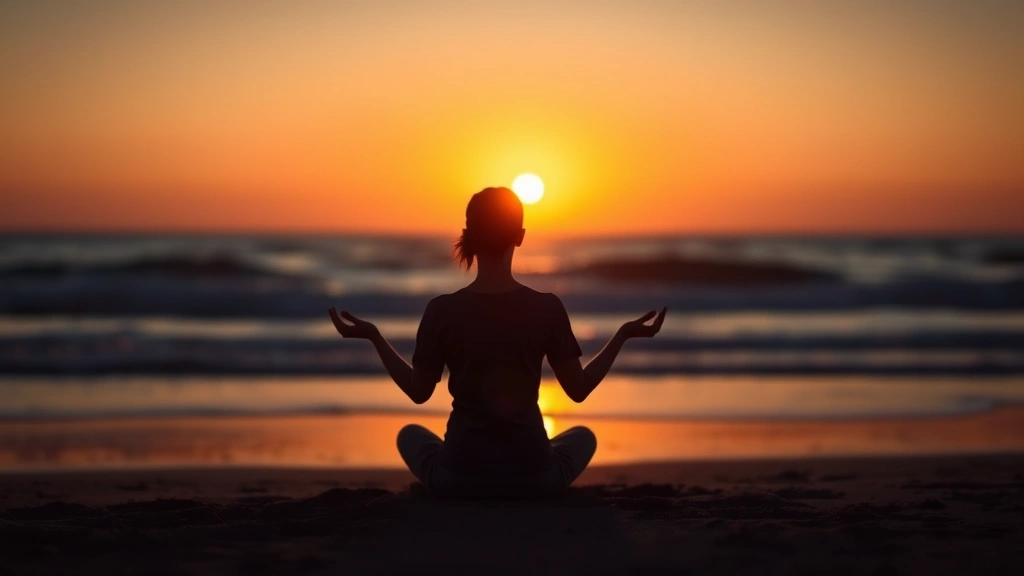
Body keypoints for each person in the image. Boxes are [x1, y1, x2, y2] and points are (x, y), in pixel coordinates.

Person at [329, 187, 666, 497]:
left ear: (468, 235)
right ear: (519, 237)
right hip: (533, 478)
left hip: (459, 477)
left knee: (410, 435)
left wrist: (374, 337)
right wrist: (622, 335)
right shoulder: (546, 306)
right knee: (583, 437)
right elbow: (578, 390)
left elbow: (419, 392)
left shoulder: (441, 310)